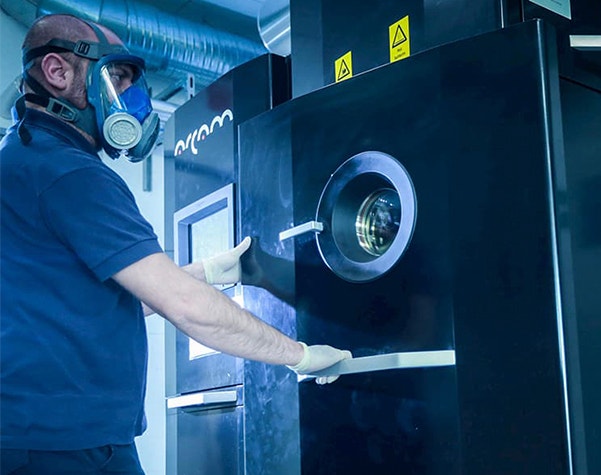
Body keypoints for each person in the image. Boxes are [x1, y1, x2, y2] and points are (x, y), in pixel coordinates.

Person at [0, 13, 351, 474]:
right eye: (117, 77)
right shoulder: (69, 173)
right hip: (66, 449)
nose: (128, 97)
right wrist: (302, 355)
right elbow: (185, 307)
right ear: (58, 72)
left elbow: (100, 302)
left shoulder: (23, 157)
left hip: (41, 440)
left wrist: (212, 270)